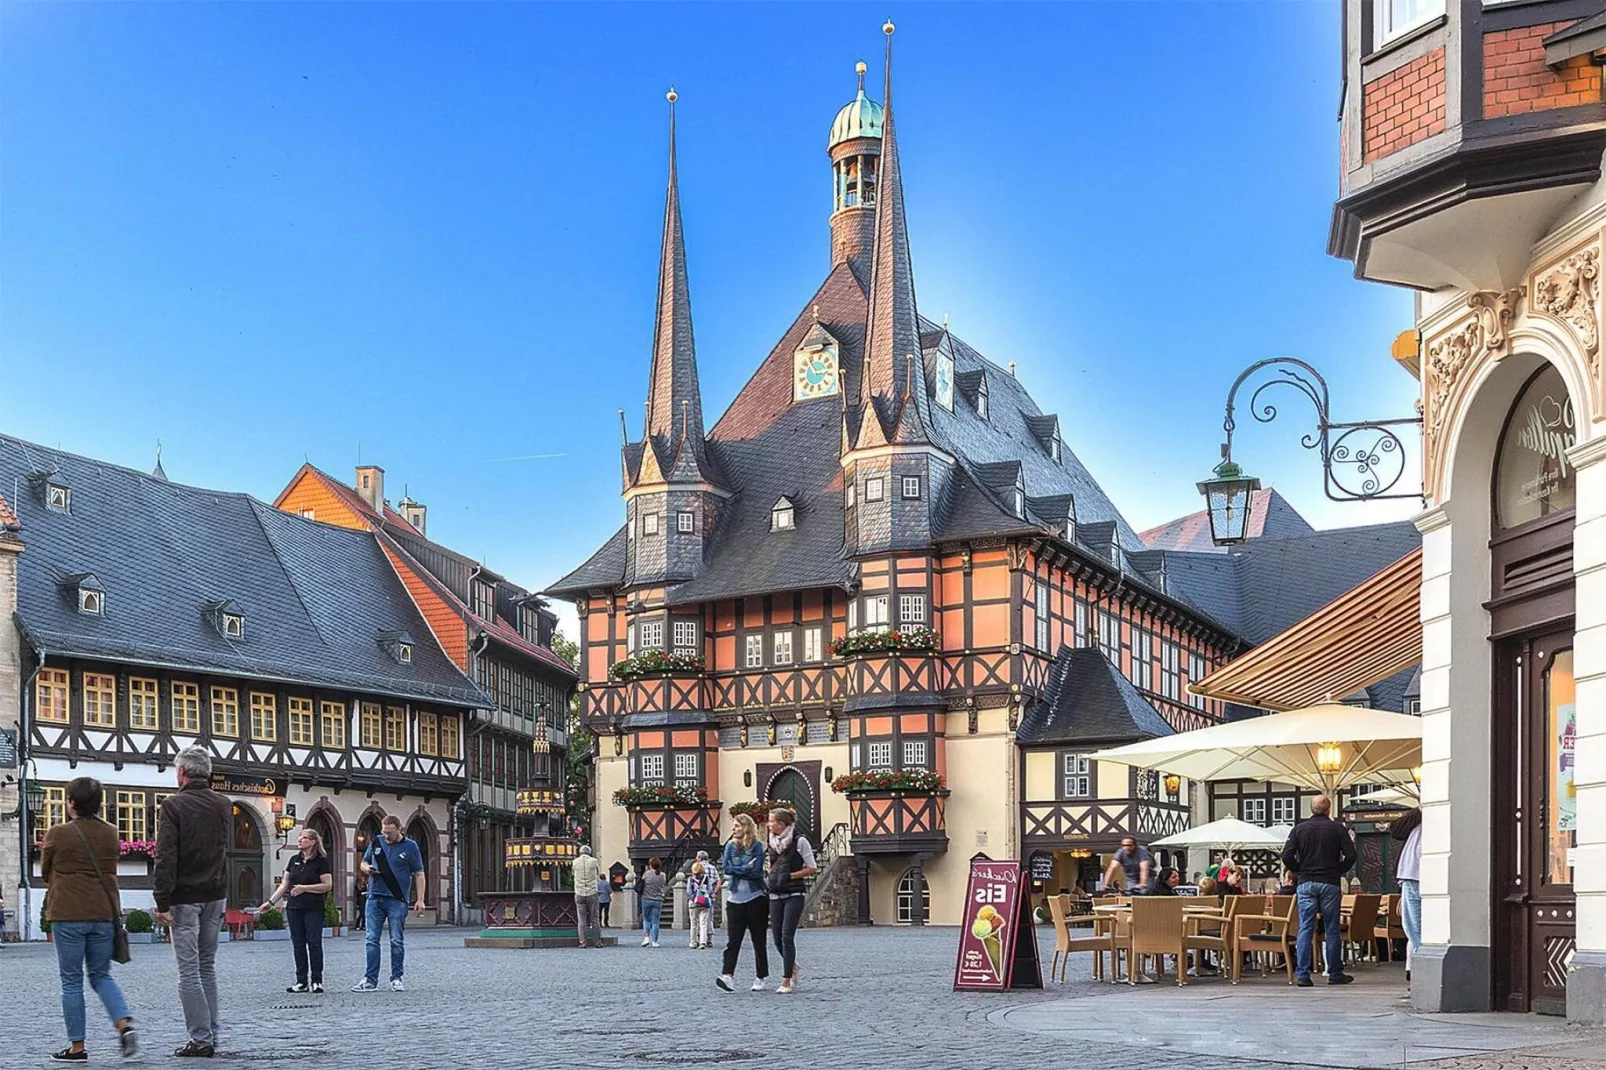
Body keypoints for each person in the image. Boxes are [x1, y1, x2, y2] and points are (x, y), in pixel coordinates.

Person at [42, 776, 137, 1062]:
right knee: (101, 975)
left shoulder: (59, 833)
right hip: (103, 914)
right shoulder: (111, 833)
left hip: (68, 914)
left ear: (71, 803)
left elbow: (46, 869)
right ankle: (124, 1024)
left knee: (71, 981)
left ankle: (77, 1047)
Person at [153, 746, 231, 1058]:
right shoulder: (224, 803)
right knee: (207, 966)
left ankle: (201, 1039)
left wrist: (162, 900)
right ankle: (211, 1032)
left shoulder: (173, 806)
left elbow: (165, 855)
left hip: (185, 895)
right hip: (215, 893)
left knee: (188, 970)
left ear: (182, 773)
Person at [1280, 794, 1358, 987]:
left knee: (1306, 927)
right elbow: (1351, 855)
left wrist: (1299, 870)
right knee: (1332, 928)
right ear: (1329, 809)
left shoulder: (1299, 829)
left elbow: (1286, 855)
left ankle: (1303, 975)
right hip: (1330, 882)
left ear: (1311, 809)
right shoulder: (1337, 829)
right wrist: (1338, 870)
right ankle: (1334, 973)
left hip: (1306, 882)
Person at [353, 815, 426, 992]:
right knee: (371, 939)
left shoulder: (411, 846)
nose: (386, 837)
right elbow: (364, 861)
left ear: (400, 829)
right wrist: (366, 869)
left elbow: (419, 873)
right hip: (374, 896)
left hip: (397, 899)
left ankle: (396, 977)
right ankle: (370, 979)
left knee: (396, 940)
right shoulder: (377, 842)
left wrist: (421, 899)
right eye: (384, 832)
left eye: (390, 833)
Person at [258, 826, 332, 992]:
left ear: (312, 842)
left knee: (314, 943)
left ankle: (317, 980)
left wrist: (305, 888)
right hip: (294, 908)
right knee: (298, 944)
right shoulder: (293, 860)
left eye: (303, 838)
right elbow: (285, 884)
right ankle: (301, 981)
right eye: (299, 838)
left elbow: (327, 886)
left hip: (313, 908)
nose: (299, 840)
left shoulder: (321, 862)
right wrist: (270, 903)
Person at [765, 808, 817, 995]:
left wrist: (790, 876)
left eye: (771, 821)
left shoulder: (800, 841)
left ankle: (786, 980)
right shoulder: (770, 842)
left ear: (781, 824)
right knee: (777, 938)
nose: (768, 824)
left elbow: (812, 867)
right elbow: (771, 864)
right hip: (775, 893)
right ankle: (793, 965)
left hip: (794, 894)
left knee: (787, 936)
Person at [717, 814, 770, 993]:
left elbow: (757, 873)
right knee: (733, 940)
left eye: (737, 826)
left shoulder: (757, 847)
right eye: (734, 826)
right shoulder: (730, 846)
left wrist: (740, 870)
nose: (734, 829)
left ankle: (761, 976)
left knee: (758, 940)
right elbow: (726, 868)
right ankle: (727, 975)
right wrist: (745, 868)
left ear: (746, 827)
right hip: (735, 900)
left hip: (755, 898)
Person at [1391, 807, 1424, 979]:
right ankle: (1416, 966)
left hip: (1412, 873)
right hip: (1416, 873)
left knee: (1414, 926)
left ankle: (1419, 965)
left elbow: (1395, 830)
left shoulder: (1418, 818)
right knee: (1416, 925)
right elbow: (1396, 830)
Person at [571, 845, 605, 949]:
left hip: (579, 891)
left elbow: (573, 874)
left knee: (581, 919)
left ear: (580, 852)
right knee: (595, 918)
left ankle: (583, 942)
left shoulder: (575, 862)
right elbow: (598, 873)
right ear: (589, 852)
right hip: (592, 892)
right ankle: (597, 942)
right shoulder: (594, 861)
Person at [639, 858, 667, 947]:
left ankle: (646, 937)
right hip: (658, 899)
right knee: (655, 921)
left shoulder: (646, 874)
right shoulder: (663, 875)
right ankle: (655, 941)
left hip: (646, 898)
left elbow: (642, 884)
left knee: (646, 919)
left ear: (650, 865)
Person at [687, 861, 715, 949]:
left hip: (694, 903)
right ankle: (703, 942)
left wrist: (694, 898)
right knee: (703, 923)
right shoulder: (706, 878)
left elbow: (689, 892)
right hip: (704, 902)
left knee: (693, 923)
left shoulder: (691, 879)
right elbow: (710, 890)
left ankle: (693, 942)